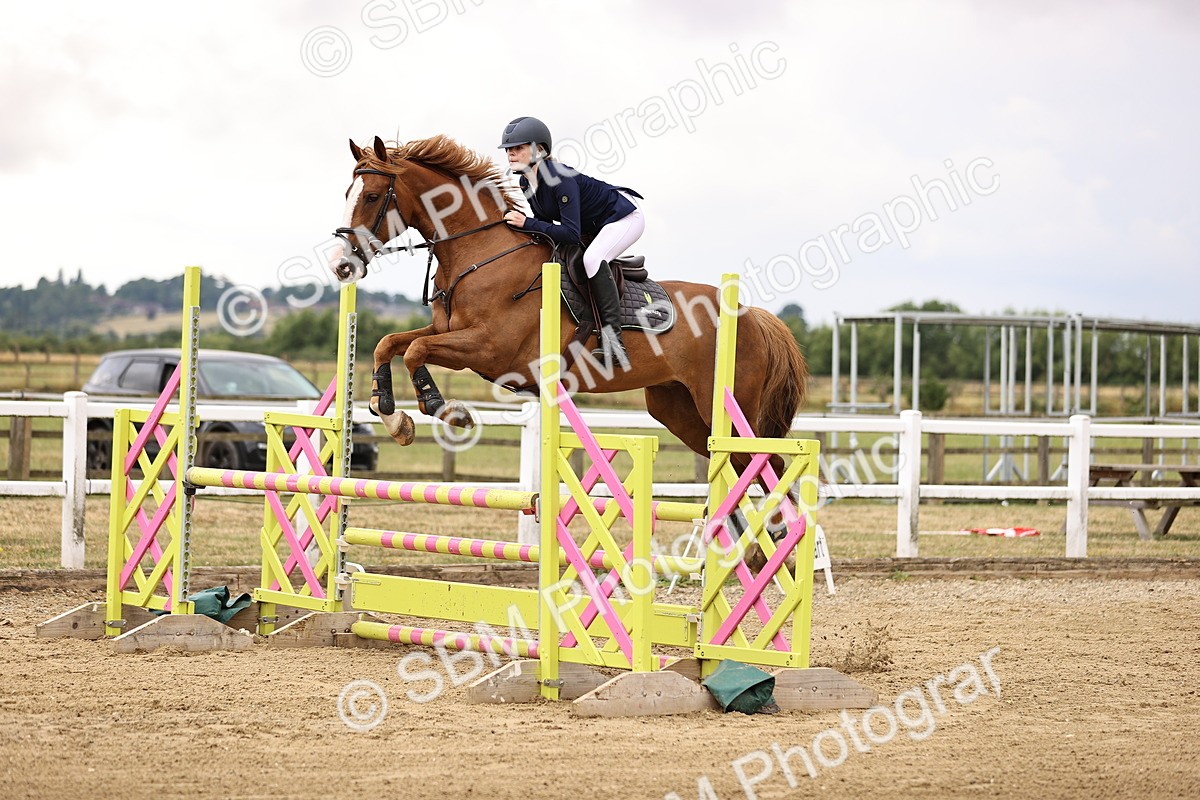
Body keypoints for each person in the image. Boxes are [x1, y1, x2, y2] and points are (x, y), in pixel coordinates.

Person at [499, 116, 644, 369]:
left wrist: (527, 224)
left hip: (624, 217)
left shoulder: (560, 178)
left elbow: (570, 233)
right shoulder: (526, 182)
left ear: (539, 150)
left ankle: (614, 342)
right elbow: (545, 224)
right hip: (595, 225)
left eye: (518, 148)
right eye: (509, 150)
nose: (511, 154)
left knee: (593, 259)